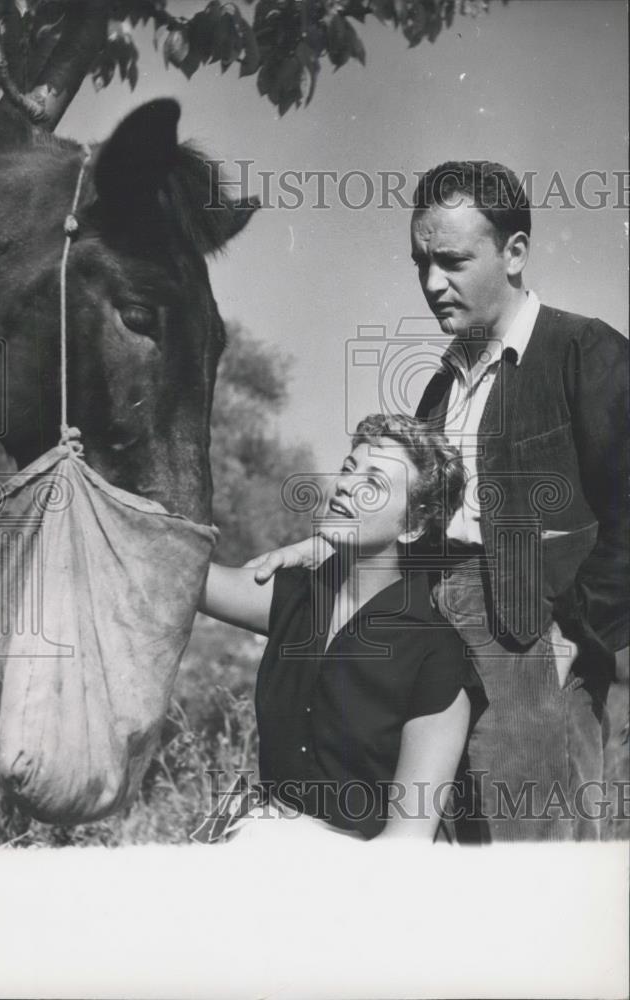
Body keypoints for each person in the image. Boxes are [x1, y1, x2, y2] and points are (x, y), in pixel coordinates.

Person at [248, 161, 629, 842]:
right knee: (437, 864)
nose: (431, 283)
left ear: (514, 253)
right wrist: (318, 546)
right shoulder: (439, 388)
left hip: (530, 650)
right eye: (421, 261)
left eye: (451, 260)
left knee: (528, 874)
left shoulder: (586, 352)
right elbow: (411, 514)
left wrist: (577, 638)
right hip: (428, 640)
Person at [195, 413, 486, 843]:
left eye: (374, 482)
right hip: (257, 845)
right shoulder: (292, 595)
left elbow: (406, 843)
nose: (347, 485)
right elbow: (178, 576)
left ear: (414, 525)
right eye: (349, 468)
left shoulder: (435, 656)